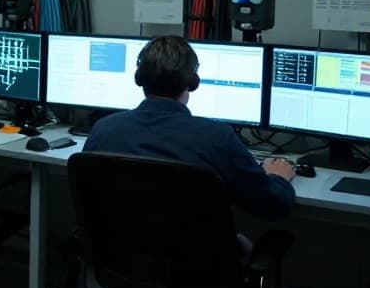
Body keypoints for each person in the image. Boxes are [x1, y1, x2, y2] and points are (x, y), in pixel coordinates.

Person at [83, 35, 295, 220]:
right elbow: (274, 206)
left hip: (120, 259)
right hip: (195, 263)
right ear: (193, 82)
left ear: (140, 79)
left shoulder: (104, 129)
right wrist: (278, 177)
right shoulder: (217, 138)